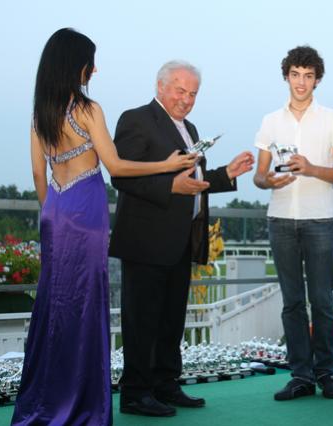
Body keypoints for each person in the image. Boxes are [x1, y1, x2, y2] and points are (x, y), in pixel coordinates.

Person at [11, 28, 196, 426]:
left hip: (56, 211)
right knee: (84, 305)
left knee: (53, 305)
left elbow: (39, 176)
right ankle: (80, 405)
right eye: (90, 62)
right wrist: (166, 165)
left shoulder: (40, 114)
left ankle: (45, 401)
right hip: (86, 212)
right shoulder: (88, 109)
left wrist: (54, 214)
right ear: (76, 64)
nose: (94, 69)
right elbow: (115, 166)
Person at [109, 60, 254, 417]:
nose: (186, 99)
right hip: (146, 241)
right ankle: (135, 393)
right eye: (180, 90)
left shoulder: (189, 128)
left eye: (193, 94)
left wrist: (226, 174)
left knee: (171, 320)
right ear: (160, 86)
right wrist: (169, 186)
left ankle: (165, 384)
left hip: (180, 241)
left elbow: (193, 183)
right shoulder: (136, 119)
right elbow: (121, 176)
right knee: (142, 321)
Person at [253, 45, 333, 401]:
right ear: (286, 76)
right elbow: (258, 176)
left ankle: (326, 373)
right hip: (280, 219)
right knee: (292, 302)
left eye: (308, 76)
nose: (301, 82)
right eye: (295, 74)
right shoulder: (270, 121)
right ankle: (300, 376)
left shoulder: (332, 119)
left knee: (322, 301)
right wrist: (268, 181)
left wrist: (311, 168)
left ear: (317, 80)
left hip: (320, 219)